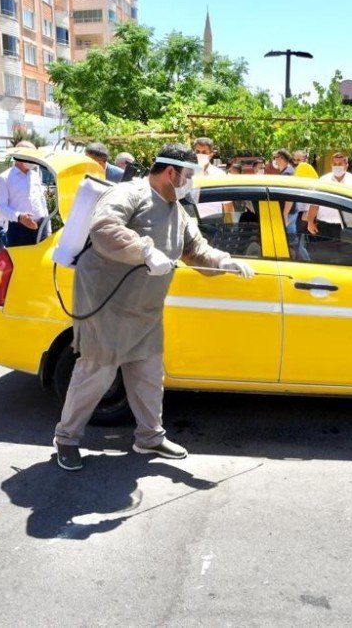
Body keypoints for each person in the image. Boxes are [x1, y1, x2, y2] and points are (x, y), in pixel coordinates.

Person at [53, 143, 255, 471]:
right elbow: (104, 229)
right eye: (187, 175)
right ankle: (67, 438)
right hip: (107, 306)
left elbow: (195, 250)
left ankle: (149, 437)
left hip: (146, 308)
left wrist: (224, 261)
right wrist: (146, 250)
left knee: (148, 374)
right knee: (96, 373)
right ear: (171, 172)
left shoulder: (178, 211)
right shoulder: (129, 194)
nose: (190, 182)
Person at [0, 153, 50, 247]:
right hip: (19, 231)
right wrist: (19, 217)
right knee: (21, 261)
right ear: (19, 157)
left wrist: (48, 228)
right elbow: (1, 207)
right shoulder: (4, 178)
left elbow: (42, 201)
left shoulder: (35, 175)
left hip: (41, 228)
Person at [305, 153, 352, 237]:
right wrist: (310, 222)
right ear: (331, 165)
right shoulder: (323, 181)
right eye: (335, 164)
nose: (337, 166)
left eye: (340, 164)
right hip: (325, 226)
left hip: (349, 226)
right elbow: (315, 203)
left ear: (346, 165)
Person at [192, 137, 230, 218]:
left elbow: (228, 205)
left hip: (214, 224)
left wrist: (230, 227)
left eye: (204, 152)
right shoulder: (186, 174)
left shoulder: (219, 175)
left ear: (211, 154)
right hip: (191, 222)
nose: (200, 155)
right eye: (197, 152)